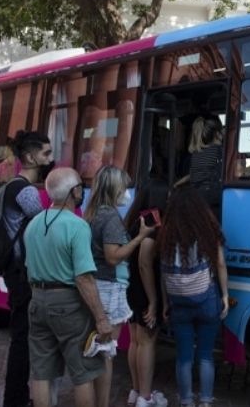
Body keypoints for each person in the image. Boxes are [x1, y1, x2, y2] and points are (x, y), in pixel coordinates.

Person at [24, 167, 113, 407]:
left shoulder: (33, 224)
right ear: (74, 191)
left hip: (37, 300)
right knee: (83, 372)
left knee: (42, 372)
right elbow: (84, 278)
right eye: (80, 188)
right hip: (68, 304)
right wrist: (101, 318)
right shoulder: (77, 226)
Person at [83, 166, 155, 407]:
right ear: (114, 188)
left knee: (98, 350)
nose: (127, 192)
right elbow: (113, 257)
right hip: (109, 287)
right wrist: (140, 237)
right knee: (106, 353)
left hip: (100, 284)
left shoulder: (93, 212)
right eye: (124, 187)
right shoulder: (110, 217)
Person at [159, 186, 229, 407]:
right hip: (206, 299)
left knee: (184, 357)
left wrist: (165, 302)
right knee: (206, 355)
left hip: (178, 302)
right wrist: (225, 295)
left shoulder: (166, 235)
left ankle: (187, 402)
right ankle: (206, 401)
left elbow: (163, 272)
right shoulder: (208, 231)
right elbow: (220, 264)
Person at [2, 130, 54, 407]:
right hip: (22, 273)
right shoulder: (25, 190)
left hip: (13, 271)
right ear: (31, 157)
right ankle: (16, 399)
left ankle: (17, 397)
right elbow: (44, 226)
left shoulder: (10, 186)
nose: (50, 159)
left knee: (21, 336)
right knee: (22, 339)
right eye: (46, 153)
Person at [124, 180, 169, 407]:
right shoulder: (152, 224)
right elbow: (145, 263)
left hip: (131, 287)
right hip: (144, 290)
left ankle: (136, 391)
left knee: (135, 341)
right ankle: (146, 396)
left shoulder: (134, 221)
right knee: (147, 342)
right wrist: (153, 301)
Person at [176, 116, 223, 216]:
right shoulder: (218, 150)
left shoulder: (197, 152)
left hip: (196, 197)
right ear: (217, 134)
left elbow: (193, 174)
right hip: (211, 196)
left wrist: (175, 185)